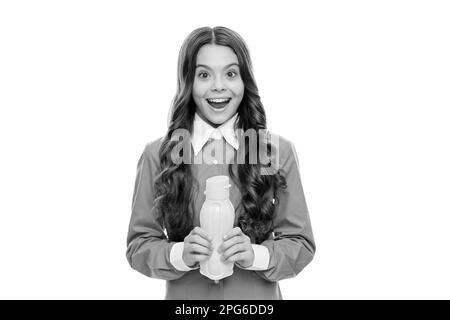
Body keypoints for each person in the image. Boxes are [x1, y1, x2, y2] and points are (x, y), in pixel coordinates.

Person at [126, 26, 315, 300]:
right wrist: (179, 254)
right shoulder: (157, 155)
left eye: (230, 73)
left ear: (244, 80)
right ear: (188, 83)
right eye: (204, 75)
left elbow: (301, 243)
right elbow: (138, 245)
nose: (218, 86)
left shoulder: (277, 152)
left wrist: (256, 256)